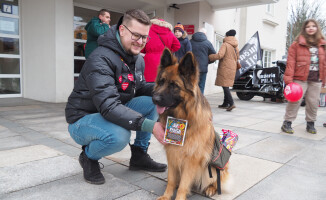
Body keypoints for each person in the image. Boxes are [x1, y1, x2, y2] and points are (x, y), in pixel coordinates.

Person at [65, 9, 167, 185]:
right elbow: (109, 106)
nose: (141, 42)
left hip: (112, 109)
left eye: (145, 37)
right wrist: (151, 126)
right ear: (121, 30)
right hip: (83, 119)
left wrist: (166, 90)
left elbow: (140, 87)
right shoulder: (100, 59)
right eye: (136, 35)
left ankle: (139, 155)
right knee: (119, 135)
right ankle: (88, 157)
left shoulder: (137, 59)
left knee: (153, 101)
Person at [281, 19, 326, 134]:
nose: (311, 28)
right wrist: (289, 80)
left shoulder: (323, 44)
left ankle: (311, 124)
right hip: (300, 78)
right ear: (304, 29)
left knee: (313, 102)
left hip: (316, 79)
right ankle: (287, 123)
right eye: (308, 26)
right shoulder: (296, 44)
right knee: (295, 101)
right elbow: (290, 63)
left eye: (313, 26)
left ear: (317, 28)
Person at [141, 17, 180, 82]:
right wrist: (168, 50)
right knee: (163, 82)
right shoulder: (169, 32)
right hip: (165, 60)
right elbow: (177, 45)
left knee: (149, 83)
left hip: (150, 61)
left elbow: (142, 47)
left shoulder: (148, 31)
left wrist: (146, 52)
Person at [209, 29, 239, 111]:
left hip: (225, 67)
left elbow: (220, 55)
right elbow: (238, 57)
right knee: (226, 85)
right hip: (232, 68)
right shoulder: (235, 45)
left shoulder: (225, 44)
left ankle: (231, 103)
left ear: (227, 36)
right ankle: (226, 103)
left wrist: (210, 56)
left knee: (225, 86)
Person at [190, 28, 216, 94]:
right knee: (201, 86)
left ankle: (192, 102)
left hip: (192, 68)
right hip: (203, 68)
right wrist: (207, 62)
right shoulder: (208, 43)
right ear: (205, 34)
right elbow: (214, 56)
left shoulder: (190, 42)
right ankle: (200, 102)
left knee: (192, 86)